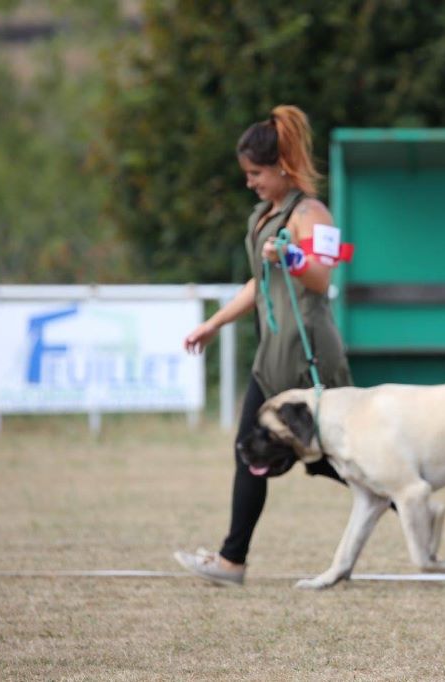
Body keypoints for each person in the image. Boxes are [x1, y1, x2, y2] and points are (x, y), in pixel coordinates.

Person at [174, 105, 352, 585]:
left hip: (308, 353)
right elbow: (259, 282)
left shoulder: (315, 214)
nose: (250, 182)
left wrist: (292, 254)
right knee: (249, 449)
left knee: (337, 458)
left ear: (283, 167)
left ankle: (411, 501)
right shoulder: (262, 216)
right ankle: (232, 561)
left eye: (256, 173)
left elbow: (320, 278)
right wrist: (214, 323)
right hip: (270, 354)